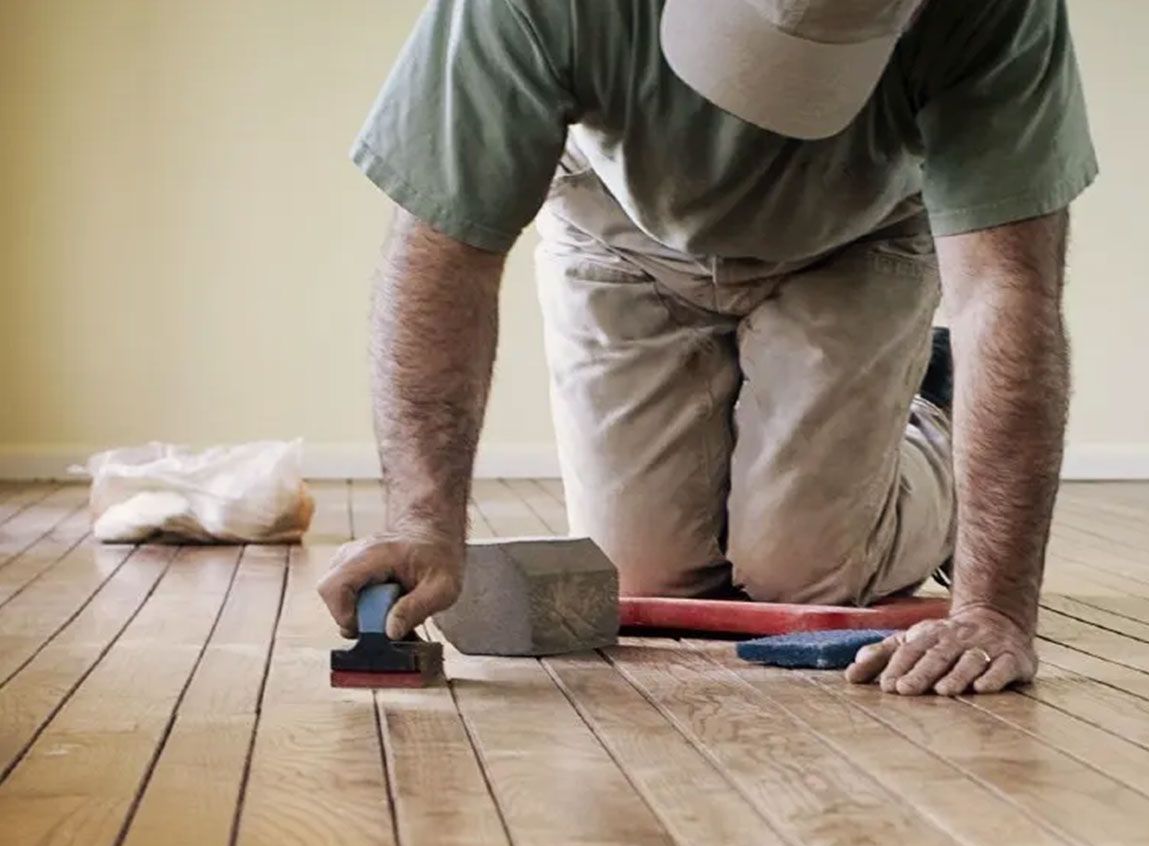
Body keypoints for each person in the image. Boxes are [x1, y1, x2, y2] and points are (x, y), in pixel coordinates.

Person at [317, 0, 1096, 696]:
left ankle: (933, 421)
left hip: (857, 235)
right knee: (644, 575)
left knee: (802, 568)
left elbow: (1005, 293)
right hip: (618, 229)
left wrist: (994, 607)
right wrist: (421, 521)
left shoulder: (1001, 12)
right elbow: (445, 252)